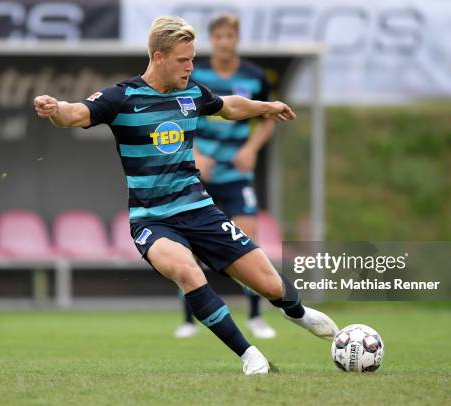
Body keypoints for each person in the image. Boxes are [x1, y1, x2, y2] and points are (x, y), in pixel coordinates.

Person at [34, 16, 338, 375]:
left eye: (193, 58)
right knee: (188, 272)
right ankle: (250, 356)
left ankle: (299, 313)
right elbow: (74, 114)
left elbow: (227, 106)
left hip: (201, 211)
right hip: (152, 220)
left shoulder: (192, 93)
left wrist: (265, 107)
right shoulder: (122, 97)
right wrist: (55, 110)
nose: (191, 66)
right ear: (159, 57)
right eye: (183, 60)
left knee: (271, 284)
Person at [174, 13, 277, 341]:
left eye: (229, 37)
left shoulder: (254, 75)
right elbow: (177, 116)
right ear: (212, 40)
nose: (224, 42)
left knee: (247, 242)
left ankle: (257, 317)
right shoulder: (194, 73)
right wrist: (195, 154)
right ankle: (189, 321)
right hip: (198, 172)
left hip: (236, 174)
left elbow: (266, 117)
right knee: (187, 246)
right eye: (218, 37)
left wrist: (252, 148)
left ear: (237, 39)